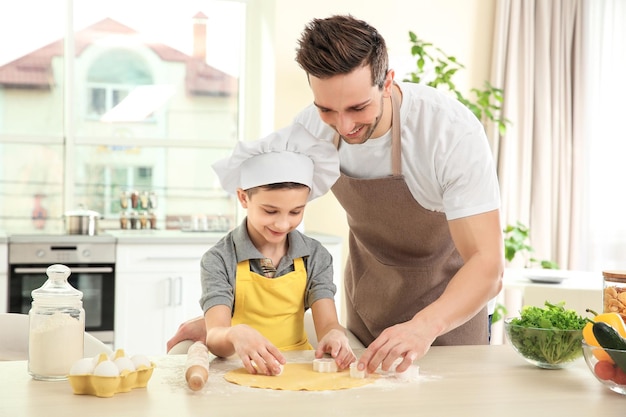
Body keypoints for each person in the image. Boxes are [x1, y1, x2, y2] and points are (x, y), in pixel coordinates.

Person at [167, 14, 504, 376]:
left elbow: (487, 265)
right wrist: (222, 327)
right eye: (327, 109)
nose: (344, 126)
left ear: (387, 82)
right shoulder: (309, 131)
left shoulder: (447, 133)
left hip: (446, 315)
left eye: (358, 108)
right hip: (367, 305)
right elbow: (272, 227)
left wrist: (423, 326)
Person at [197, 122, 355, 376]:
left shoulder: (315, 256)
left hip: (296, 368)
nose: (283, 224)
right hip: (240, 368)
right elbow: (216, 336)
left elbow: (327, 323)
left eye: (296, 212)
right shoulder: (219, 259)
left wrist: (335, 336)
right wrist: (235, 334)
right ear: (243, 198)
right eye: (270, 211)